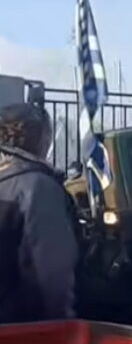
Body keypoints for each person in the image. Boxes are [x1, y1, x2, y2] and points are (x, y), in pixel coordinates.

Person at [0, 103, 78, 323]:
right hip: (22, 335)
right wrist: (63, 328)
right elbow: (52, 278)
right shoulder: (38, 189)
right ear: (43, 138)